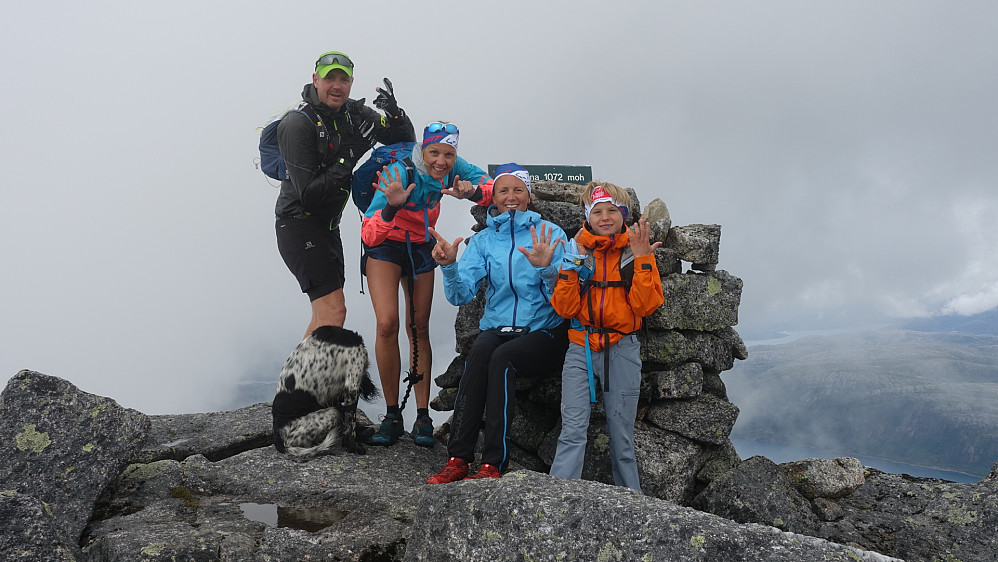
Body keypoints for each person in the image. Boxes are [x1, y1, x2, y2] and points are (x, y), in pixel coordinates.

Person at [425, 163, 570, 482]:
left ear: (529, 195)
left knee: (502, 358)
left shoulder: (551, 235)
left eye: (518, 189)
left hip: (546, 332)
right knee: (478, 354)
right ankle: (458, 459)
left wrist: (547, 269)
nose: (511, 196)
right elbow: (461, 294)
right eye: (503, 190)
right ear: (494, 197)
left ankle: (492, 463)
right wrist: (449, 267)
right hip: (499, 329)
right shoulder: (484, 241)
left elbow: (565, 299)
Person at [360, 122, 492, 447]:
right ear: (423, 149)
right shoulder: (400, 171)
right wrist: (392, 204)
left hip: (420, 245)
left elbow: (492, 187)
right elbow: (369, 233)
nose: (442, 161)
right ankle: (392, 415)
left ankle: (422, 416)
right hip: (386, 245)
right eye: (434, 152)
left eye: (449, 154)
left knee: (419, 326)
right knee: (387, 324)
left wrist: (472, 192)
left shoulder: (455, 168)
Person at [275, 51, 415, 339]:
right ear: (315, 80)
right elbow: (309, 195)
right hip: (299, 223)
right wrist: (349, 155)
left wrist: (396, 115)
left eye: (343, 79)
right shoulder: (297, 124)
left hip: (327, 227)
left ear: (351, 82)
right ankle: (305, 384)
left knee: (327, 313)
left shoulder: (353, 113)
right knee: (333, 311)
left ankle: (297, 384)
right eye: (329, 79)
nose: (336, 86)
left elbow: (404, 141)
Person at [548, 182, 664, 492]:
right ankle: (556, 498)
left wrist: (641, 259)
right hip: (580, 347)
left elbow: (646, 305)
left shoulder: (634, 251)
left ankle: (632, 501)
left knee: (621, 434)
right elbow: (564, 307)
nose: (605, 216)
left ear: (623, 214)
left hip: (622, 348)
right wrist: (571, 265)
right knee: (572, 429)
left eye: (612, 210)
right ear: (587, 215)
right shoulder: (577, 250)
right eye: (597, 211)